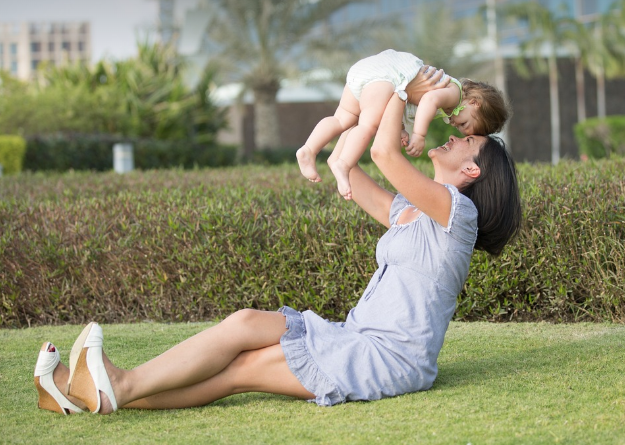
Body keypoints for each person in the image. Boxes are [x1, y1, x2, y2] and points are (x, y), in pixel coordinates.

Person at [32, 66, 522, 415]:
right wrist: (354, 114)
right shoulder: (414, 212)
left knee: (246, 369)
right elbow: (353, 169)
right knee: (245, 324)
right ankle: (81, 392)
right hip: (352, 334)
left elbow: (385, 153)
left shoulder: (459, 213)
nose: (456, 136)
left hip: (388, 358)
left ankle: (113, 387)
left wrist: (400, 79)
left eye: (468, 142)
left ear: (471, 170)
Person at [296, 49, 509, 200]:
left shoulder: (449, 103)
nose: (457, 128)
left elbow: (405, 102)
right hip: (388, 76)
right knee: (368, 125)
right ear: (474, 102)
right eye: (464, 125)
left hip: (368, 72)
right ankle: (343, 164)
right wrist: (418, 134)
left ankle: (309, 149)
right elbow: (427, 100)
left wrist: (400, 129)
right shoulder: (454, 93)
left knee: (343, 118)